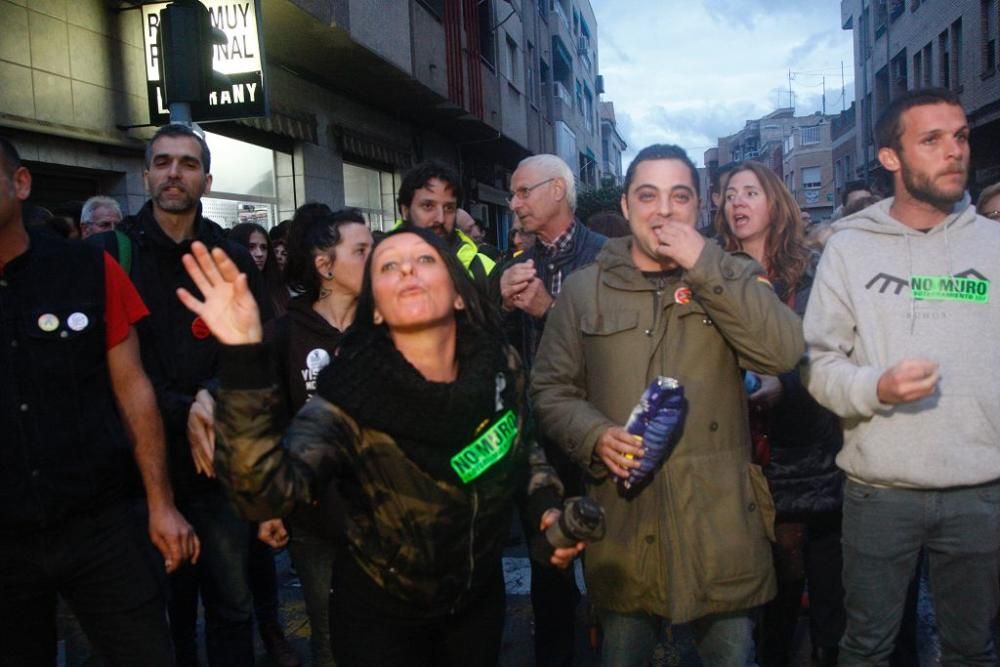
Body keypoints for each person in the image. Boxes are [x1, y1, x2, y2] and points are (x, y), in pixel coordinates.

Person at [176, 225, 580, 666]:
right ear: (377, 312)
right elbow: (260, 494)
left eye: (426, 260)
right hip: (382, 624)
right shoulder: (348, 397)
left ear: (459, 295)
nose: (407, 267)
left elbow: (524, 450)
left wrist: (545, 507)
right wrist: (241, 357)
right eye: (387, 265)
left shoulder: (500, 367)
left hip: (477, 608)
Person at [530, 143, 804, 667]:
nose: (663, 210)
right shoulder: (585, 291)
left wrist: (705, 265)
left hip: (720, 524)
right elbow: (550, 391)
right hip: (626, 524)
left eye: (679, 196)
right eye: (648, 195)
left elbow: (783, 350)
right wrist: (592, 435)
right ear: (627, 207)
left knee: (730, 652)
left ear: (700, 207)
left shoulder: (731, 274)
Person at [803, 87, 1000, 665]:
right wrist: (875, 388)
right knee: (866, 647)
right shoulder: (848, 248)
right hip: (879, 491)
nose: (955, 152)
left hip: (980, 489)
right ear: (890, 157)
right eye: (932, 139)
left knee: (974, 648)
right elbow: (818, 362)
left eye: (960, 136)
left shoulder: (994, 244)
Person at [0, 137, 198, 665]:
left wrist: (161, 503)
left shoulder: (87, 269)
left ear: (20, 183)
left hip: (98, 522)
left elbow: (132, 388)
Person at [91, 122, 269, 666]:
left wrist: (214, 394)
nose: (174, 173)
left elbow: (257, 349)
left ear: (207, 180)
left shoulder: (230, 257)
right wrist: (184, 406)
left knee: (232, 608)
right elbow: (101, 365)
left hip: (217, 468)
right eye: (163, 161)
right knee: (159, 618)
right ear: (146, 173)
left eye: (188, 164)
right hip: (138, 474)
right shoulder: (107, 255)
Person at [716, 161, 846, 667]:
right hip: (745, 456)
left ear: (776, 203)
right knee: (767, 604)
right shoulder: (713, 273)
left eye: (751, 192)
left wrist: (785, 385)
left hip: (812, 454)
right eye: (730, 195)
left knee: (828, 597)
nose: (738, 203)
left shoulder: (811, 272)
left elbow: (834, 351)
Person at [243, 206, 373, 667]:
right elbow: (266, 424)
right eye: (362, 250)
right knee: (330, 638)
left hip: (389, 517)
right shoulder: (284, 333)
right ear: (325, 265)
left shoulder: (387, 327)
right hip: (316, 519)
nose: (375, 259)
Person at [499, 153, 607, 666]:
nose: (513, 202)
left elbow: (615, 348)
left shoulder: (609, 259)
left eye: (523, 192)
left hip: (598, 434)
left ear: (558, 191)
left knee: (611, 568)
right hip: (539, 441)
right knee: (548, 568)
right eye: (513, 193)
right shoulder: (517, 263)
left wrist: (550, 311)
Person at [396, 161, 496, 285]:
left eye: (449, 208)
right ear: (405, 211)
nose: (440, 219)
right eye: (428, 206)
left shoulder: (485, 270)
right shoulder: (374, 264)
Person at [230, 221, 289, 318]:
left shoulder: (278, 289)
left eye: (264, 247)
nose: (259, 254)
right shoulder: (223, 291)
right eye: (251, 247)